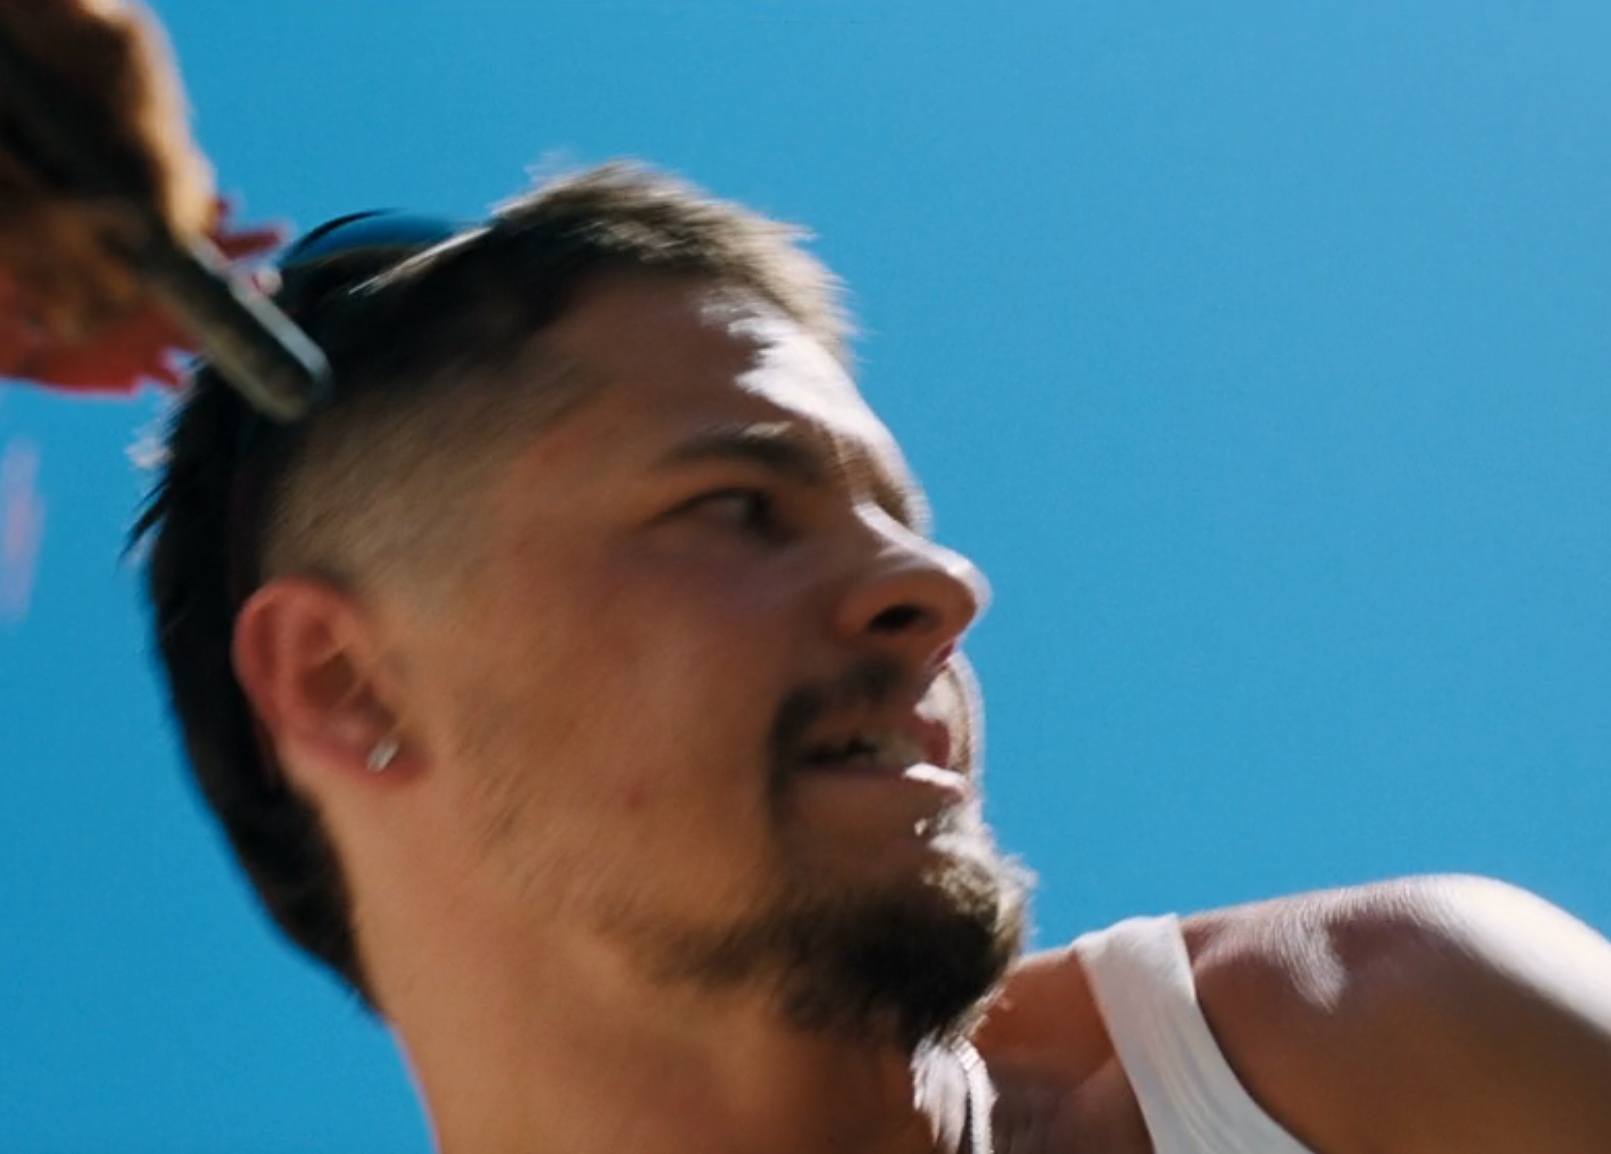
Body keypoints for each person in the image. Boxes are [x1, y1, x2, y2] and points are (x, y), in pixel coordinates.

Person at [134, 163, 1611, 1154]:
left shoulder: (1382, 1043)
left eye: (899, 516)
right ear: (349, 685)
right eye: (736, 506)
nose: (941, 584)